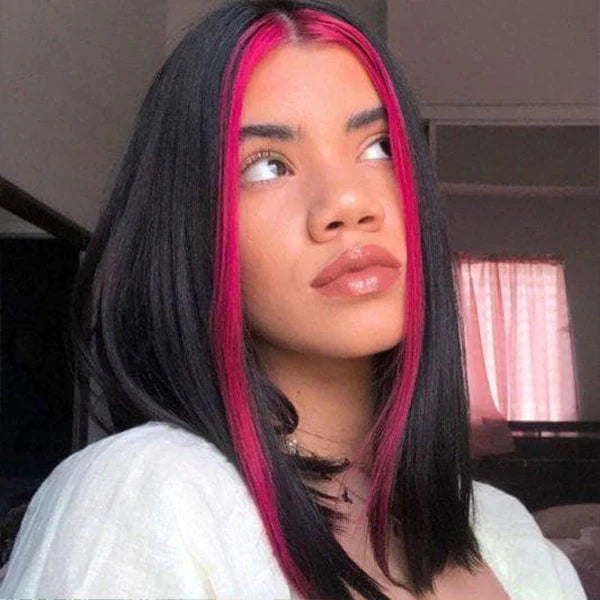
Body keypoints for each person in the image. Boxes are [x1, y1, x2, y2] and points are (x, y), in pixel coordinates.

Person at [0, 1, 586, 598]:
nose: (347, 204)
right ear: (190, 231)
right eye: (266, 167)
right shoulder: (144, 495)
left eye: (380, 146)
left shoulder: (509, 533)